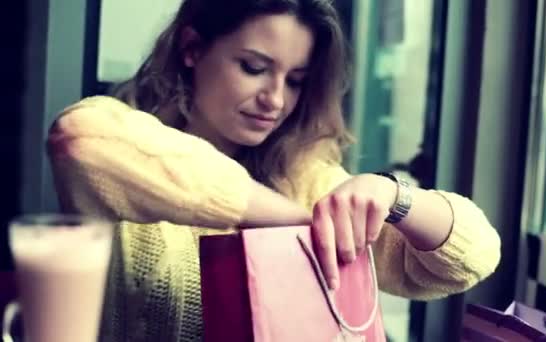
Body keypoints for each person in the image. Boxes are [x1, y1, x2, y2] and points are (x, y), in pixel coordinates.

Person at [47, 0, 501, 340]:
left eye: (296, 80)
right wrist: (301, 223)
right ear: (192, 48)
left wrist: (392, 196)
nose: (276, 100)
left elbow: (473, 258)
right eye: (254, 68)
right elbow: (80, 139)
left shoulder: (303, 174)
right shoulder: (124, 141)